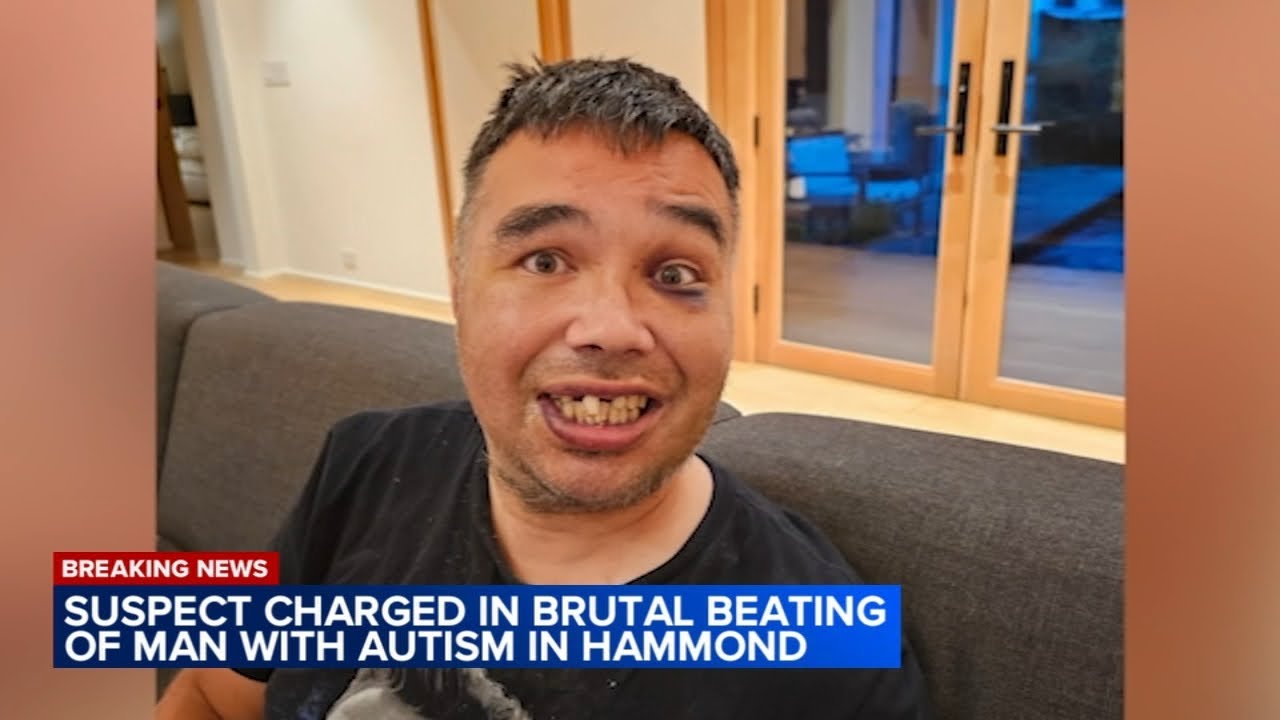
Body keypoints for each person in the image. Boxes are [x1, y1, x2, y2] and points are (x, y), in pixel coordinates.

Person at [155, 57, 933, 720]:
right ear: (460, 288)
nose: (612, 328)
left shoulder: (831, 667)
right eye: (545, 261)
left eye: (675, 273)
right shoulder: (368, 460)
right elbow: (214, 694)